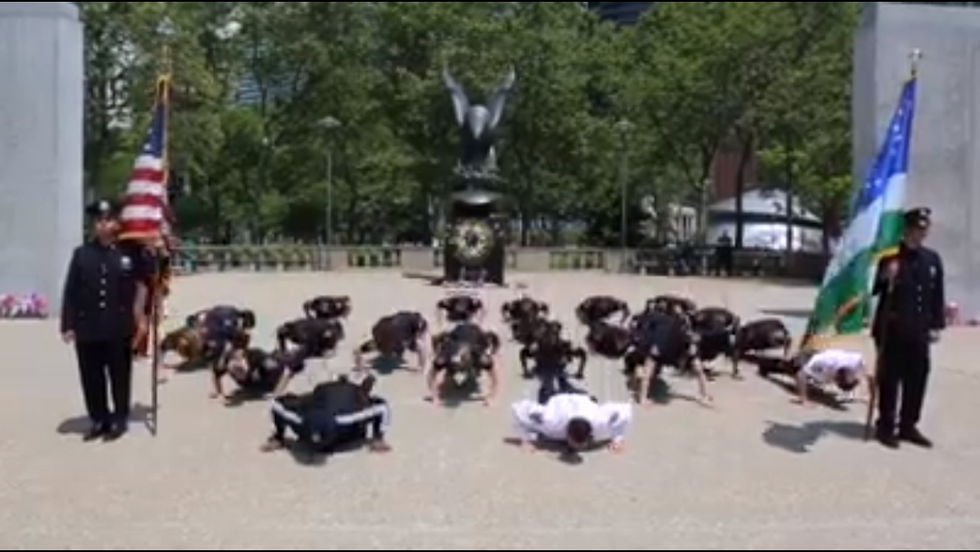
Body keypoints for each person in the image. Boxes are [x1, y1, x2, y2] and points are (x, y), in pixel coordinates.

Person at [60, 199, 150, 441]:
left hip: (118, 326)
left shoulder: (129, 253)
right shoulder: (82, 254)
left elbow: (146, 278)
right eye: (99, 221)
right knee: (91, 376)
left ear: (117, 222)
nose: (103, 225)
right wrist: (68, 324)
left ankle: (119, 418)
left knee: (119, 375)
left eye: (108, 220)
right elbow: (71, 291)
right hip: (88, 326)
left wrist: (158, 250)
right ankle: (99, 418)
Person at [871, 207, 945, 449]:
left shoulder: (931, 259)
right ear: (906, 230)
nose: (920, 233)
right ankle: (885, 426)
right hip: (892, 329)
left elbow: (936, 295)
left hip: (919, 330)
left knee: (917, 378)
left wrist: (936, 324)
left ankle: (908, 425)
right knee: (890, 379)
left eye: (924, 229)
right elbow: (873, 288)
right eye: (916, 229)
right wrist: (885, 275)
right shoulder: (890, 256)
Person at [262, 375, 391, 455]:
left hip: (348, 398)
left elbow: (381, 407)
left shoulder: (346, 419)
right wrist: (278, 436)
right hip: (321, 394)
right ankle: (343, 382)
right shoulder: (298, 419)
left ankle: (357, 385)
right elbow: (277, 405)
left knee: (360, 397)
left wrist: (378, 437)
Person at [511, 392, 632, 455]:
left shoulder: (599, 421)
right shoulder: (550, 420)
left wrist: (617, 439)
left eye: (579, 446)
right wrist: (525, 440)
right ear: (566, 434)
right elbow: (519, 409)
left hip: (584, 400)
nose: (575, 449)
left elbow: (624, 411)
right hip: (557, 400)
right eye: (574, 444)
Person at [427, 322, 500, 405]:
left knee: (475, 372)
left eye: (460, 364)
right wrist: (434, 396)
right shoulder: (444, 356)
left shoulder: (480, 356)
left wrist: (492, 397)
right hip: (457, 334)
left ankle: (471, 371)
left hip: (476, 335)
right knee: (453, 373)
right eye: (456, 364)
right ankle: (456, 371)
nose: (459, 366)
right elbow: (431, 375)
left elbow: (495, 378)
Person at [791, 348, 871, 407]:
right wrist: (804, 401)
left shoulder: (856, 361)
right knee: (797, 370)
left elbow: (869, 377)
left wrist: (867, 397)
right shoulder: (825, 363)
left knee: (820, 380)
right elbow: (800, 374)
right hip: (806, 356)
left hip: (822, 357)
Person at [354, 311, 428, 373]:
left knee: (417, 345)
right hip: (394, 327)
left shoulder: (404, 338)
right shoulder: (377, 336)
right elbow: (358, 350)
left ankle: (421, 366)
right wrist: (360, 366)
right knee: (396, 349)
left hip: (413, 325)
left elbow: (421, 347)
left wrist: (420, 367)